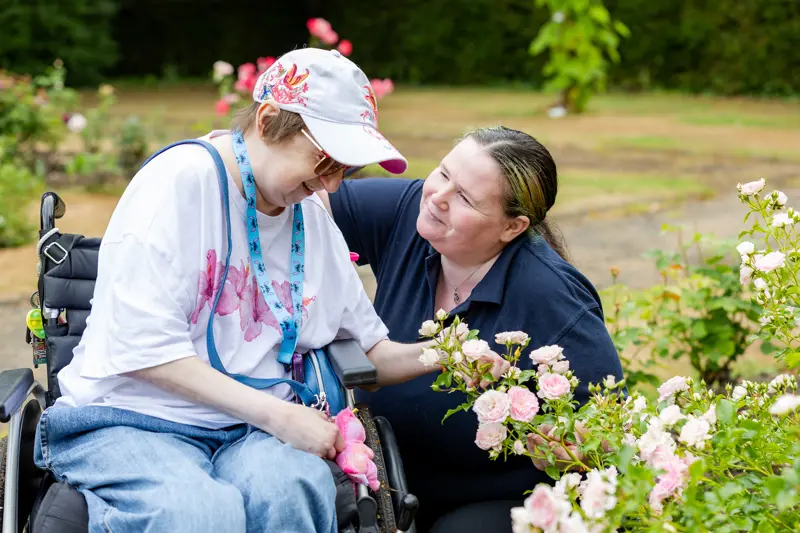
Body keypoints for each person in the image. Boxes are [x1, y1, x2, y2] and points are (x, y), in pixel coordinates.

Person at [32, 48, 452, 533]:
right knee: (198, 514)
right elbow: (143, 350)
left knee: (292, 490)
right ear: (268, 121)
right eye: (325, 160)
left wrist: (450, 354)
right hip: (130, 418)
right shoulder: (178, 183)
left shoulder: (310, 215)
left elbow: (367, 350)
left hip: (248, 430)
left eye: (348, 169)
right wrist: (278, 416)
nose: (333, 185)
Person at [322, 125, 625, 532]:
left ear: (512, 227)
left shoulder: (553, 299)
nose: (438, 196)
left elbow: (611, 435)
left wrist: (567, 445)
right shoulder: (410, 211)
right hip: (390, 490)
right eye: (444, 173)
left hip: (501, 506)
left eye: (465, 197)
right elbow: (302, 198)